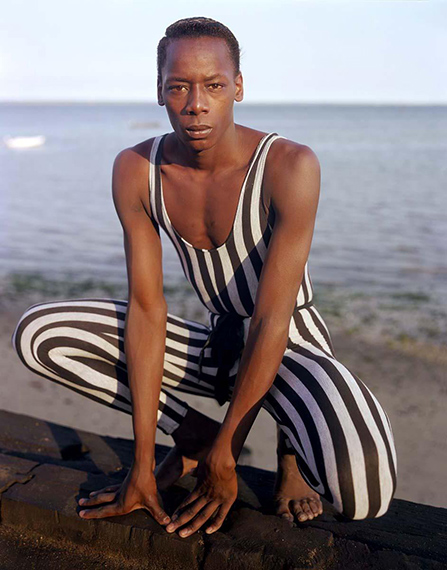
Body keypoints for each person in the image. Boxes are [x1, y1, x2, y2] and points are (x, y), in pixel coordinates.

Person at [11, 16, 397, 538]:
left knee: (363, 495)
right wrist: (142, 468)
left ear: (238, 86)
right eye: (179, 87)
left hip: (290, 341)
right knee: (40, 335)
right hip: (218, 341)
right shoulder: (136, 169)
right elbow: (147, 310)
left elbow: (269, 321)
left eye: (214, 85)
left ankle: (290, 456)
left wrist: (226, 458)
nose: (196, 104)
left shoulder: (289, 165)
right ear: (160, 92)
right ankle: (193, 434)